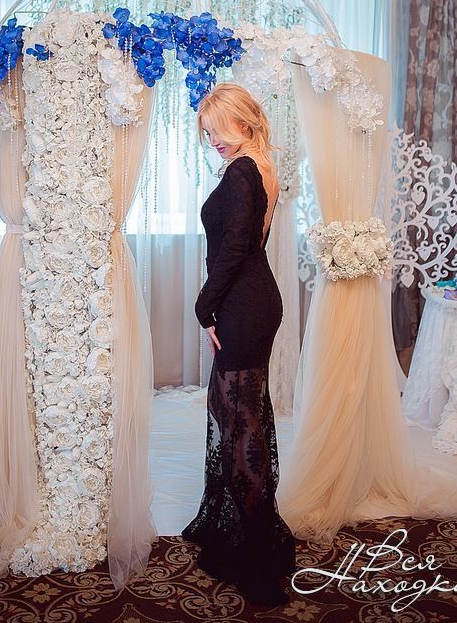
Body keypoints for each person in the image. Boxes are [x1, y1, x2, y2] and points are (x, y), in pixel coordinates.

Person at [181, 83, 296, 606]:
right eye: (207, 134)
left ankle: (257, 561)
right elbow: (245, 246)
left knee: (242, 426)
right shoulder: (261, 165)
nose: (214, 142)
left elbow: (234, 251)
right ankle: (242, 531)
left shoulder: (244, 171)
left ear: (243, 122)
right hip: (251, 300)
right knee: (235, 415)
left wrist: (204, 306)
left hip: (243, 305)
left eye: (218, 130)